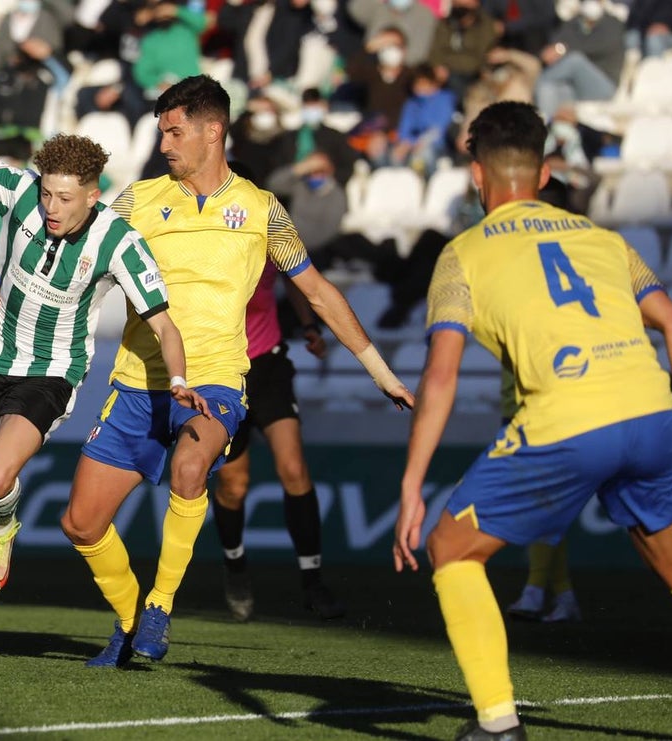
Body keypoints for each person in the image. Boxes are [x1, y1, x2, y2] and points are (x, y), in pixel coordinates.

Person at [61, 74, 413, 669]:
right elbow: (69, 250)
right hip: (134, 382)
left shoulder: (261, 210)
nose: (165, 144)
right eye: (161, 132)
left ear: (212, 129)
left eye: (175, 132)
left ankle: (160, 607)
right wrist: (1, 293)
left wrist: (378, 369)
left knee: (191, 467)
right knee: (79, 522)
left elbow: (319, 293)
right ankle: (127, 620)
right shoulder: (137, 201)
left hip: (216, 380)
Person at [394, 100, 672, 741]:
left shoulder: (462, 255)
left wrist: (411, 485)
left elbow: (442, 377)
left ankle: (499, 726)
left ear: (477, 176)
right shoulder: (604, 239)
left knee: (452, 549)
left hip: (569, 420)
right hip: (650, 413)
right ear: (541, 174)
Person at [0, 132, 207, 670]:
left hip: (52, 374)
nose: (51, 208)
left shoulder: (119, 242)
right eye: (47, 195)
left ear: (93, 195)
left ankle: (3, 522)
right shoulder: (18, 191)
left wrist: (176, 382)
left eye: (64, 199)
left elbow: (164, 325)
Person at [211, 260, 346, 623]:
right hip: (220, 371)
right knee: (233, 485)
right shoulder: (206, 233)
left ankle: (313, 582)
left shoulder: (267, 226)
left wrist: (308, 326)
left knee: (293, 468)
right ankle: (235, 565)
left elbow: (295, 277)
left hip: (269, 366)